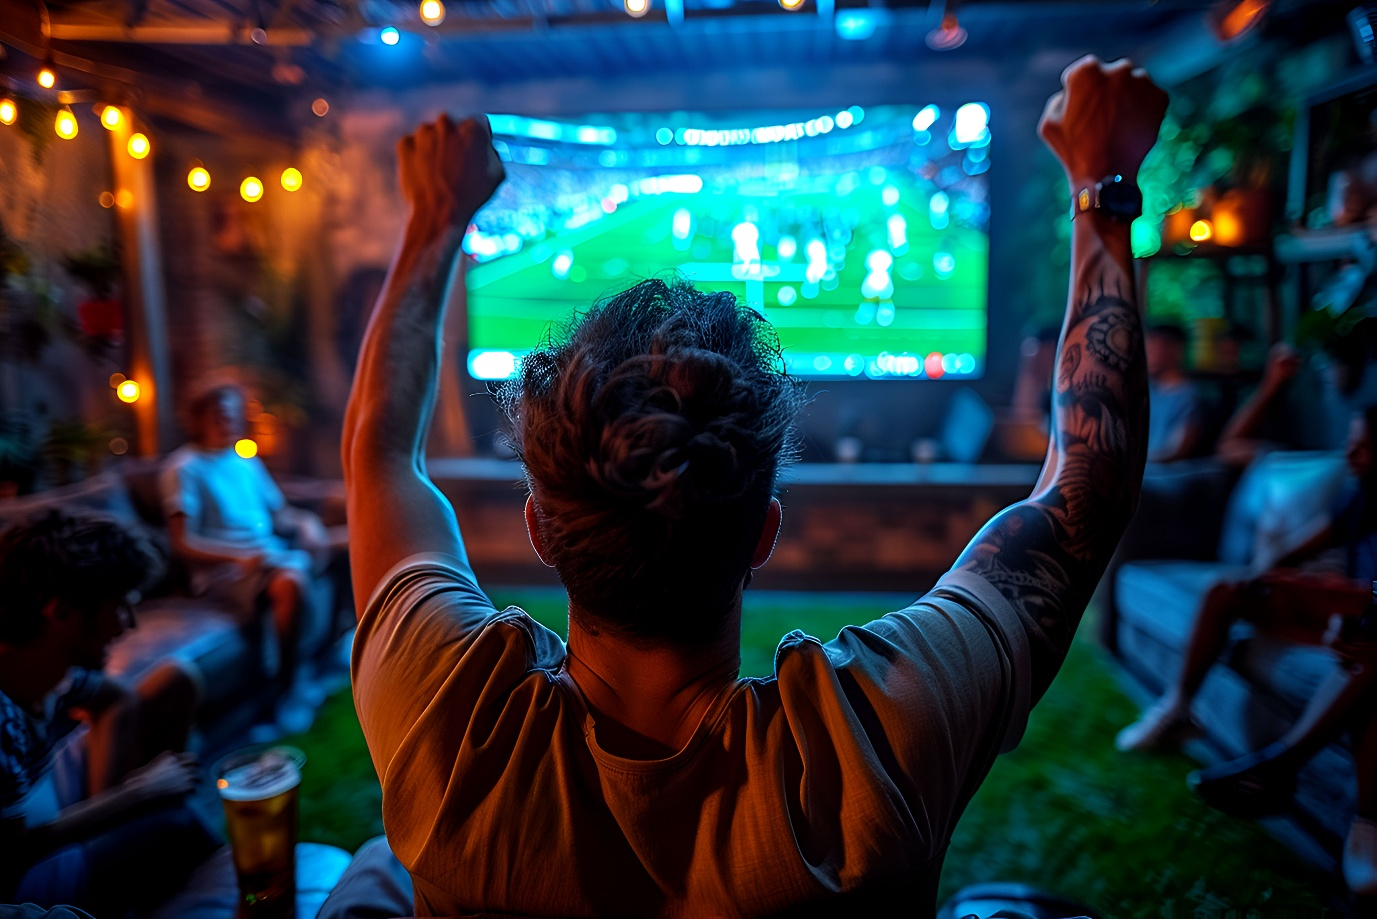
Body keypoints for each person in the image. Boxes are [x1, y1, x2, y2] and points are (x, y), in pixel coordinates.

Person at [342, 56, 1165, 915]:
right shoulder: (880, 741)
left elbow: (376, 453)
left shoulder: (442, 720)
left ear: (538, 530)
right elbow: (1087, 485)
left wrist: (437, 218)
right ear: (764, 532)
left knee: (368, 866)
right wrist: (1100, 190)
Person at [1117, 407, 1377, 891]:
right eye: (1350, 442)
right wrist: (1270, 577)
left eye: (1363, 446)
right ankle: (1177, 708)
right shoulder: (1359, 494)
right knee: (1226, 591)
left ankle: (1302, 779)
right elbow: (1306, 545)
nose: (1351, 454)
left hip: (1368, 610)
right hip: (1350, 600)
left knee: (1366, 654)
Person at [0, 510, 219, 912]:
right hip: (27, 870)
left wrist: (106, 807)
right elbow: (14, 852)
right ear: (60, 612)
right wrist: (135, 795)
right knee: (178, 819)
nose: (129, 625)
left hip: (43, 794)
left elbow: (116, 698)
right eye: (120, 607)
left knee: (175, 679)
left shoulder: (48, 670)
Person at [162, 381, 336, 729]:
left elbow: (279, 513)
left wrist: (308, 522)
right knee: (291, 582)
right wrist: (236, 557)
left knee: (341, 545)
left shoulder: (245, 460)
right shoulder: (183, 469)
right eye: (220, 417)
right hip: (226, 573)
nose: (230, 423)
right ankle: (287, 687)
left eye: (233, 416)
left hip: (266, 558)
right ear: (197, 420)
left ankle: (335, 653)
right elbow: (182, 543)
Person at [1145, 322, 1205, 463]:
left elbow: (1176, 452)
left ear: (1176, 349)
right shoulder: (1149, 394)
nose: (1146, 357)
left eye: (1152, 350)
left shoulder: (1190, 398)